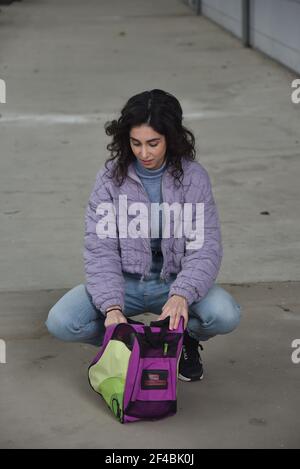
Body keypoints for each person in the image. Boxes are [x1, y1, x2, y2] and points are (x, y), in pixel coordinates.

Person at [46, 89, 241, 382]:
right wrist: (111, 307)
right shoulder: (110, 178)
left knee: (225, 314)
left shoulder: (193, 178)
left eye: (153, 143)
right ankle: (137, 341)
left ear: (170, 139)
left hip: (172, 282)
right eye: (135, 143)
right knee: (62, 322)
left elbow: (204, 247)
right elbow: (100, 248)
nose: (144, 153)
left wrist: (182, 295)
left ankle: (181, 339)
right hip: (126, 284)